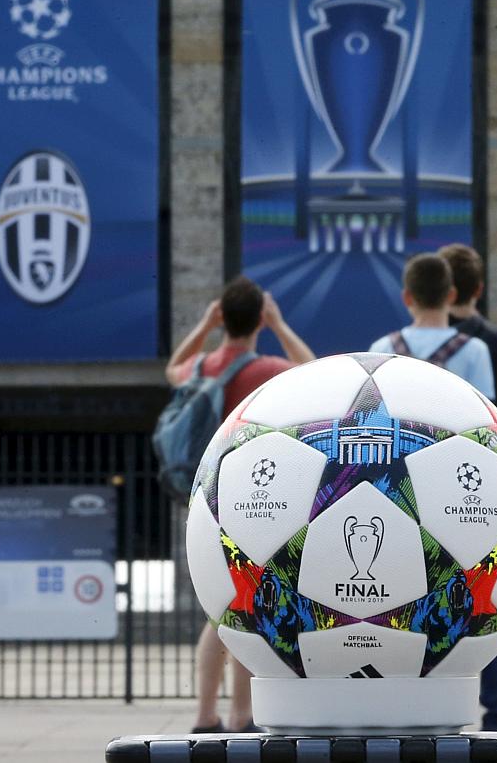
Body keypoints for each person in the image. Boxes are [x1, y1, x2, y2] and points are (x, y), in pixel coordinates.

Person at [166, 276, 316, 732]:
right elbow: (314, 369)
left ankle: (206, 713)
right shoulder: (264, 369)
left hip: (201, 502)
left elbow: (170, 368)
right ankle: (238, 713)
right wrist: (281, 324)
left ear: (222, 318)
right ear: (259, 320)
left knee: (224, 606)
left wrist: (204, 326)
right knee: (243, 606)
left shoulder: (199, 368)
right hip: (247, 502)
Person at [439, 243, 497, 732]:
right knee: (491, 593)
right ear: (479, 288)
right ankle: (496, 709)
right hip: (487, 478)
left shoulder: (417, 342)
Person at [368, 252, 495, 400]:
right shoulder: (475, 351)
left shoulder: (381, 350)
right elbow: (486, 415)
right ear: (452, 295)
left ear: (407, 298)